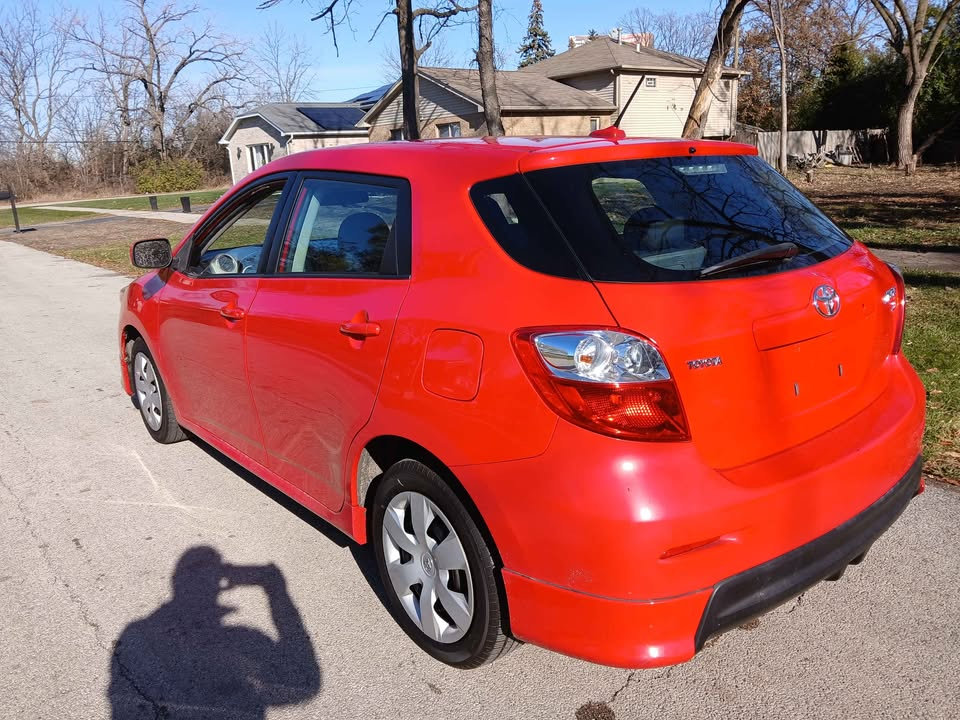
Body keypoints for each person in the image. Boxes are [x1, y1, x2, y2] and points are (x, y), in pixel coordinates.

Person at [109, 546, 321, 719]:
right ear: (221, 584)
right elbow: (305, 683)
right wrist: (276, 589)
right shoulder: (245, 639)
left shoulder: (137, 632)